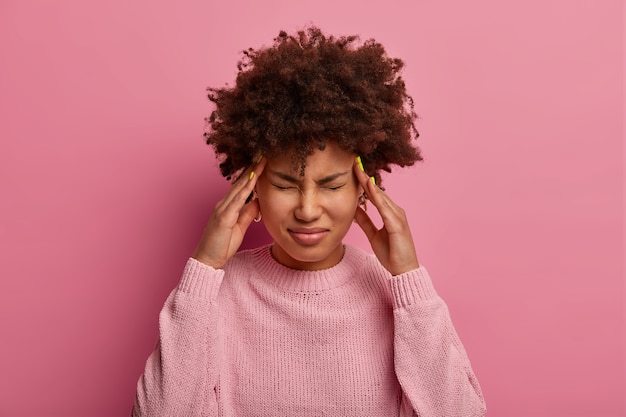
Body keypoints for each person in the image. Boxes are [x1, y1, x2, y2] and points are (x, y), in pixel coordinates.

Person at [132, 26, 486, 417]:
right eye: (285, 184)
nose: (307, 208)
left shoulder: (396, 295)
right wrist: (204, 268)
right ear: (254, 190)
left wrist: (409, 279)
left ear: (363, 190)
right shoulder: (216, 295)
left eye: (331, 185)